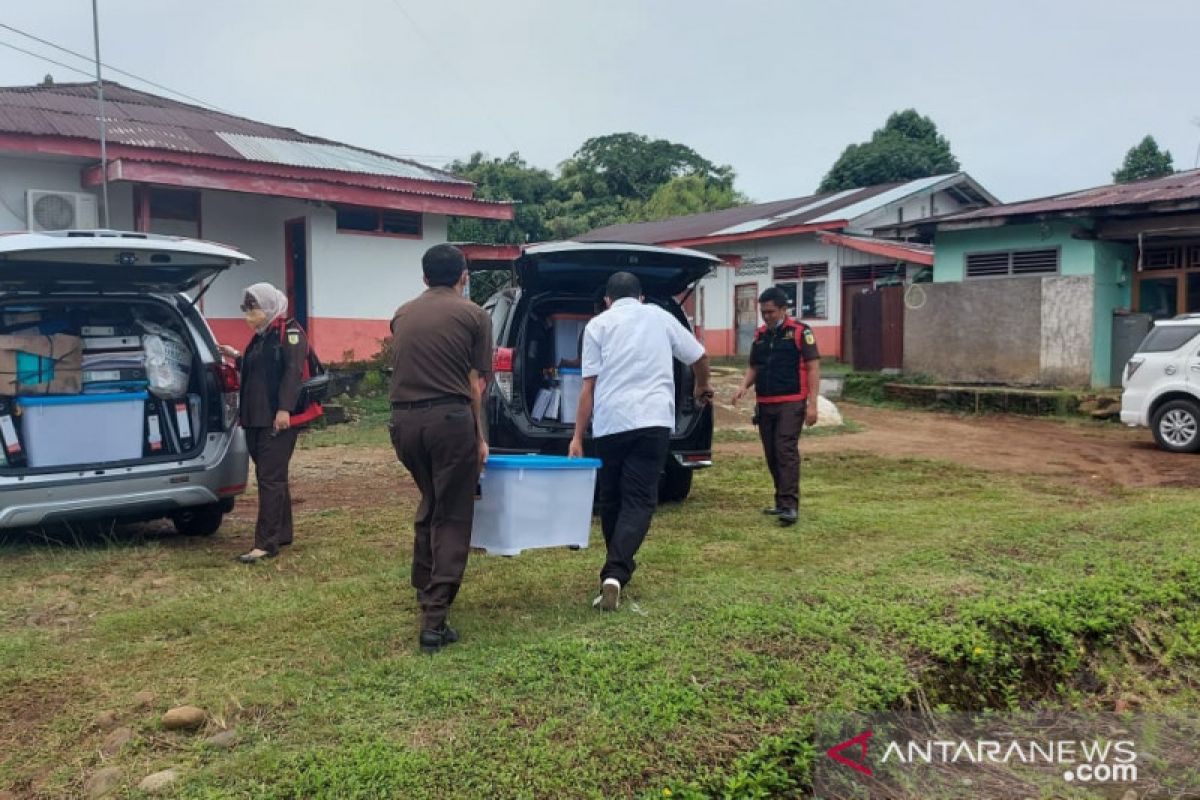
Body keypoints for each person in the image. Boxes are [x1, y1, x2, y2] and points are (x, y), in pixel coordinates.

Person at [568, 272, 712, 611]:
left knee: (612, 498)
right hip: (652, 421)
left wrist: (577, 437)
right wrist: (699, 386)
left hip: (610, 422)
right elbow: (699, 356)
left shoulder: (597, 326)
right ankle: (616, 571)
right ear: (641, 296)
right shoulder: (660, 316)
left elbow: (586, 388)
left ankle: (614, 571)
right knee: (640, 500)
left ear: (607, 300)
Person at [388, 244, 492, 653]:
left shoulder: (402, 314)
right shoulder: (475, 315)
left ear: (424, 278)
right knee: (452, 513)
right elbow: (474, 384)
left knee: (431, 500)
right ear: (463, 276)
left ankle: (423, 584)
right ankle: (434, 617)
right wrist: (479, 436)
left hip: (402, 423)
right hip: (449, 421)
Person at [218, 283, 313, 563]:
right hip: (255, 418)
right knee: (272, 477)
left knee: (270, 479)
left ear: (269, 307)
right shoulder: (261, 337)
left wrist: (284, 409)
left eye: (254, 308)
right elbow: (258, 370)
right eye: (246, 309)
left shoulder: (290, 333)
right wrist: (236, 356)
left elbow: (293, 373)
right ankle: (282, 532)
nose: (249, 315)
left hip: (277, 418)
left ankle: (265, 543)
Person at [732, 286, 820, 527]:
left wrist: (812, 405)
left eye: (770, 312)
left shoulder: (801, 332)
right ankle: (781, 501)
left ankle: (790, 506)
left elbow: (813, 367)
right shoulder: (760, 335)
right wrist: (743, 386)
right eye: (763, 312)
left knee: (785, 450)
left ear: (783, 309)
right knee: (772, 453)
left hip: (791, 401)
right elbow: (754, 366)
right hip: (766, 403)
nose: (767, 316)